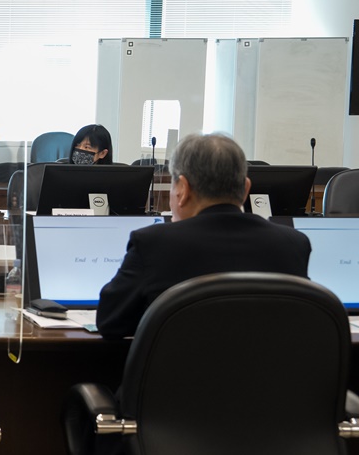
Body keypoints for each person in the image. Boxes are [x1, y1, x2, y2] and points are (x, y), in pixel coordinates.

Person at [96, 132, 311, 340]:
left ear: (182, 189)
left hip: (179, 366)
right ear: (246, 189)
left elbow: (110, 321)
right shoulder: (293, 244)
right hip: (267, 366)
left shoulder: (152, 244)